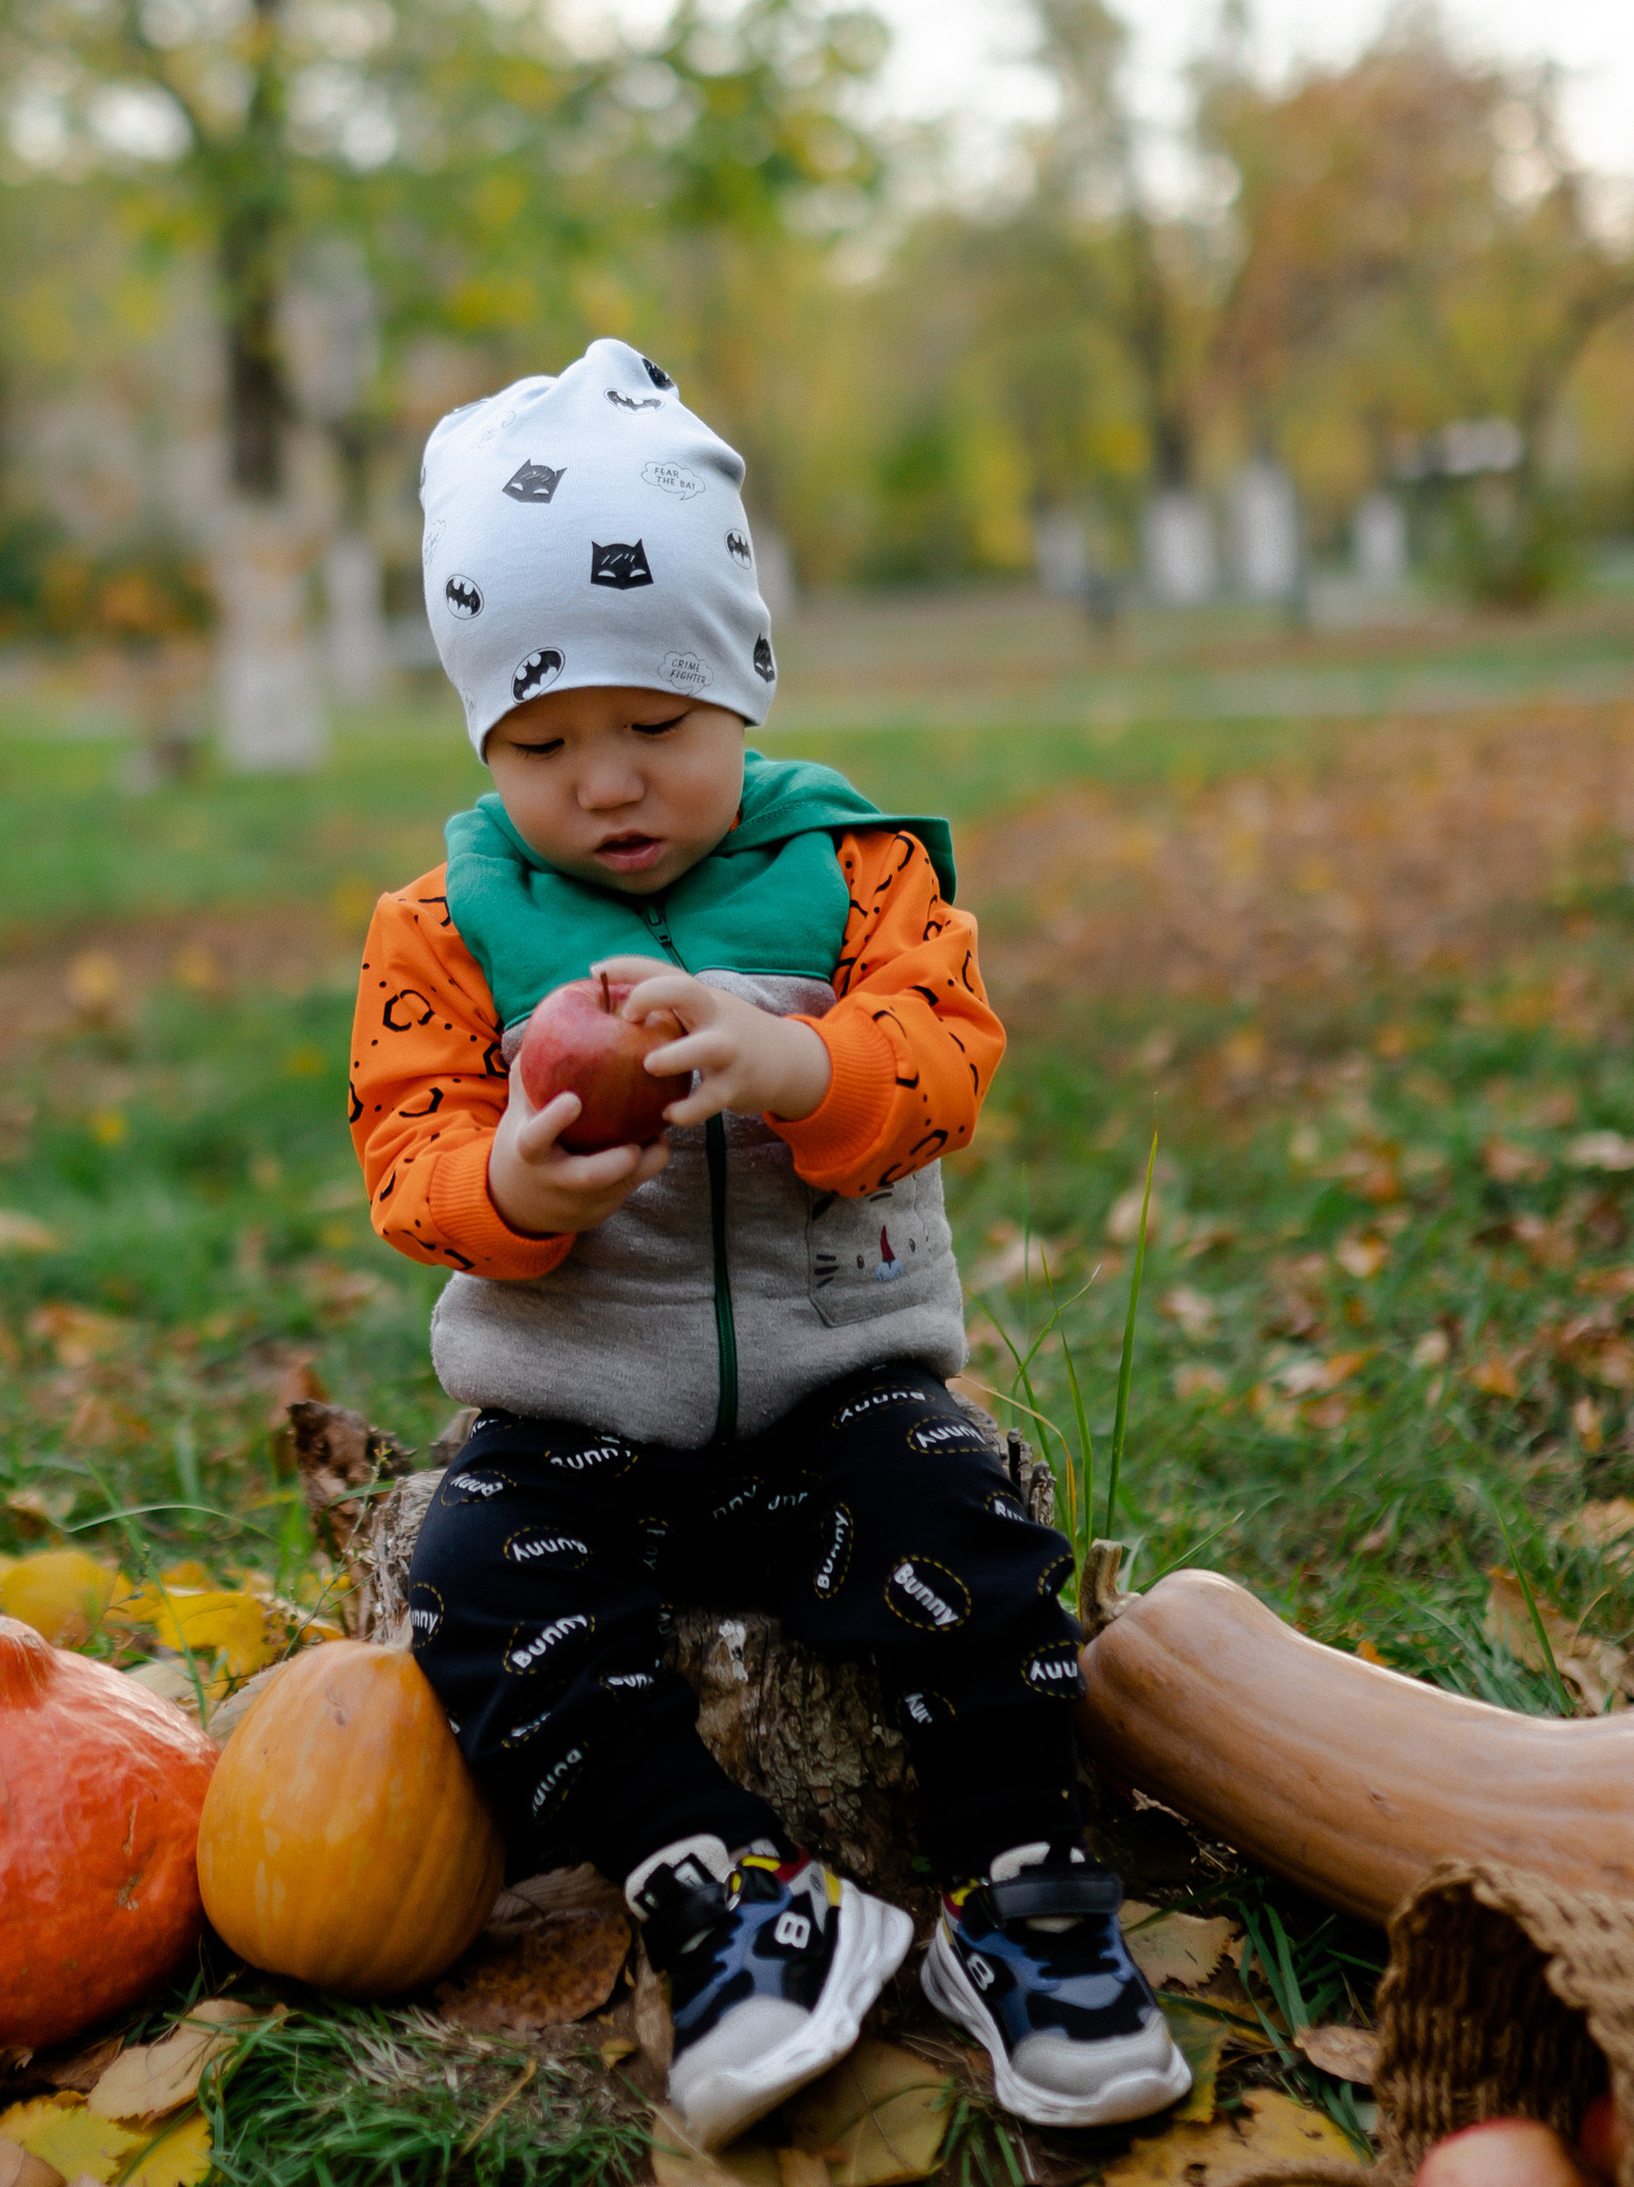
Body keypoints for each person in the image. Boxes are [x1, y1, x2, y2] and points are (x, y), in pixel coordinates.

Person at [348, 339, 1189, 2149]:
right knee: (482, 1581)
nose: (608, 783)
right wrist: (517, 1189)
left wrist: (802, 1063)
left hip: (836, 1397)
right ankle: (722, 1892)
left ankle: (1022, 1892)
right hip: (577, 1413)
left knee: (974, 1534)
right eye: (543, 745)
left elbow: (948, 1065)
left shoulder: (859, 873)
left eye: (657, 725)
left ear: (741, 685)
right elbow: (404, 1151)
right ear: (485, 741)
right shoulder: (445, 923)